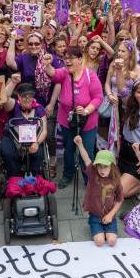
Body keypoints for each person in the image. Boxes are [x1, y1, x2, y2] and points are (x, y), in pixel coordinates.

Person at [43, 46, 103, 188]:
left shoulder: (90, 75)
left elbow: (98, 97)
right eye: (66, 58)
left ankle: (89, 179)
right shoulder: (64, 73)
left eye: (71, 58)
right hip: (67, 121)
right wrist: (47, 64)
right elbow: (53, 73)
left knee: (87, 152)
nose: (67, 61)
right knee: (69, 150)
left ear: (80, 59)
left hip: (87, 122)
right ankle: (67, 174)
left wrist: (87, 110)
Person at [73, 136, 123, 247]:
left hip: (110, 216)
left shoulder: (116, 180)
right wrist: (80, 144)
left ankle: (107, 228)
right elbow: (86, 159)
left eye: (105, 167)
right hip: (95, 216)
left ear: (112, 166)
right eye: (99, 166)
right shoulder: (93, 173)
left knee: (111, 241)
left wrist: (110, 215)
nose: (101, 170)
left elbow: (119, 200)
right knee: (99, 242)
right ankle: (95, 225)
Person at [0, 77, 47, 178]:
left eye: (30, 96)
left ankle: (34, 178)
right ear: (19, 97)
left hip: (33, 139)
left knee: (38, 154)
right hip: (12, 138)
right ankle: (14, 179)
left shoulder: (39, 109)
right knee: (8, 153)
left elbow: (44, 130)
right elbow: (4, 97)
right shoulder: (13, 105)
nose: (27, 99)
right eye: (24, 96)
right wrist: (13, 83)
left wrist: (37, 143)